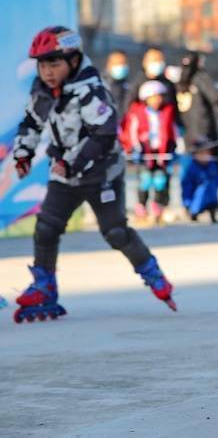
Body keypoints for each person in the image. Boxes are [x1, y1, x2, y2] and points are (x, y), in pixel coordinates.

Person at [11, 27, 177, 322]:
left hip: (101, 172)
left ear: (73, 61)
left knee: (114, 232)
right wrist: (24, 152)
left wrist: (72, 163)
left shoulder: (90, 90)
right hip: (65, 173)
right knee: (47, 227)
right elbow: (32, 123)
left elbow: (103, 133)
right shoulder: (43, 90)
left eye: (54, 64)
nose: (48, 72)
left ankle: (152, 273)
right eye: (43, 65)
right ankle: (45, 285)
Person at [120, 80, 177, 223]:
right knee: (144, 181)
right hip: (144, 153)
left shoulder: (166, 112)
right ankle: (141, 208)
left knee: (160, 180)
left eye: (160, 96)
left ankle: (158, 207)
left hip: (161, 153)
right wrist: (134, 148)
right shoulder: (137, 112)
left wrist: (174, 147)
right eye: (153, 97)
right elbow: (131, 132)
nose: (157, 100)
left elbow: (172, 132)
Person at [176, 51, 218, 155]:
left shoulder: (180, 81)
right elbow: (215, 97)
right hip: (204, 128)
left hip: (187, 130)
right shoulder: (200, 77)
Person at [181, 139, 218, 223]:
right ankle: (193, 213)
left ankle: (213, 211)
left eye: (207, 153)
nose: (205, 156)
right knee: (201, 191)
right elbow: (187, 186)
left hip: (211, 194)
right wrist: (187, 203)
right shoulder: (191, 168)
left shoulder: (212, 165)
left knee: (211, 188)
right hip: (197, 196)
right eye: (201, 153)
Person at [103, 49, 130, 118]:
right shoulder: (99, 85)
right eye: (117, 63)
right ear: (108, 65)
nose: (120, 66)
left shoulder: (129, 86)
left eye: (123, 63)